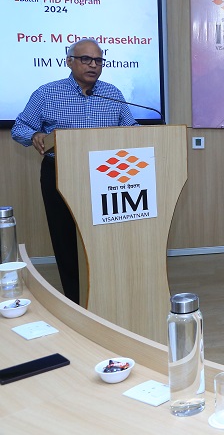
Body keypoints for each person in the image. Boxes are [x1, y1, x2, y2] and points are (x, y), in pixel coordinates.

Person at [11, 39, 137, 303]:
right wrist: (34, 135)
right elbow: (19, 127)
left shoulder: (112, 93)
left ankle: (108, 295)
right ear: (69, 61)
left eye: (98, 60)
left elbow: (132, 128)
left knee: (105, 237)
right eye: (86, 59)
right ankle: (76, 300)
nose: (93, 65)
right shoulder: (47, 93)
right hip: (60, 172)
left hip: (108, 176)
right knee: (65, 239)